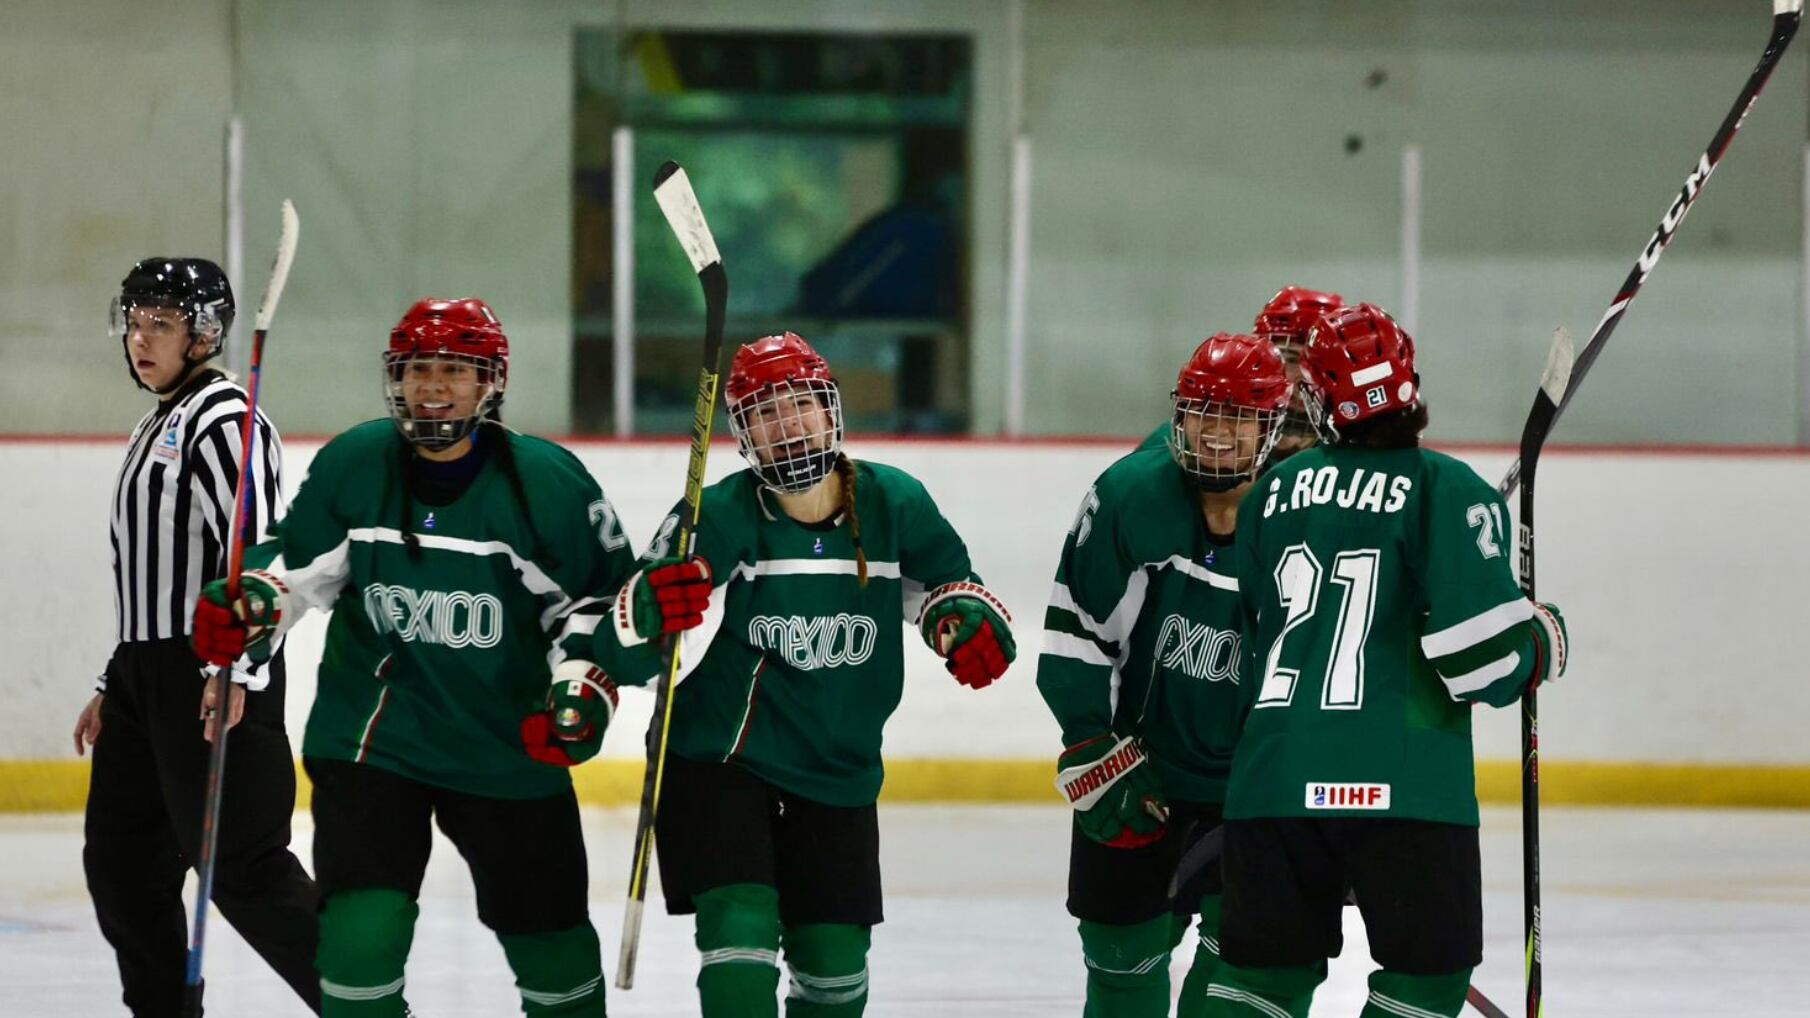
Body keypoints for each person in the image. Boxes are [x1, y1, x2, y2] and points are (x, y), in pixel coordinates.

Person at [192, 297, 637, 1017]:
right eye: (419, 369)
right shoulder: (357, 463)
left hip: (507, 749)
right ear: (395, 378)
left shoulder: (548, 486)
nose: (433, 387)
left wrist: (582, 690)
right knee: (357, 950)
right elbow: (298, 566)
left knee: (556, 960)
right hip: (375, 742)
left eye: (455, 371)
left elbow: (595, 608)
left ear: (491, 382)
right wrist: (254, 603)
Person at [592, 332, 1016, 1018]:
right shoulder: (715, 515)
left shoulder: (894, 503)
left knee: (835, 972)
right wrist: (649, 610)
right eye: (763, 412)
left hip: (837, 765)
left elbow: (947, 585)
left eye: (799, 406)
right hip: (720, 761)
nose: (786, 426)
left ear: (831, 411)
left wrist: (964, 618)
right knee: (740, 937)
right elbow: (639, 648)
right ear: (742, 432)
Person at [1203, 303, 1570, 1018]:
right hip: (1403, 787)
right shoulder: (1448, 490)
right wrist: (1542, 639)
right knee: (1425, 979)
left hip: (1273, 780)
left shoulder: (1273, 492)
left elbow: (1257, 627)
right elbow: (1484, 661)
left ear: (1317, 398)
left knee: (1259, 981)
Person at [75, 257, 320, 1016]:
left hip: (213, 674)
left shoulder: (224, 420)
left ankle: (365, 1002)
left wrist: (237, 667)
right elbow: (152, 578)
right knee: (123, 867)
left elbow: (259, 552)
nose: (141, 340)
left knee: (245, 870)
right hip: (145, 681)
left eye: (162, 324)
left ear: (205, 334)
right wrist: (114, 681)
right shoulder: (159, 421)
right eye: (135, 322)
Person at [1037, 333, 1292, 1018]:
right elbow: (1077, 634)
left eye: (1236, 417)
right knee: (1121, 968)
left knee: (1242, 981)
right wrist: (1091, 741)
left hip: (1257, 791)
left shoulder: (1307, 515)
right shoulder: (1131, 495)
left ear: (1271, 426)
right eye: (1203, 412)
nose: (1216, 433)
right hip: (1143, 773)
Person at [1136, 286, 1343, 464]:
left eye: (1317, 364)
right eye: (1288, 357)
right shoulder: (1173, 445)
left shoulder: (1345, 457)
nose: (1301, 379)